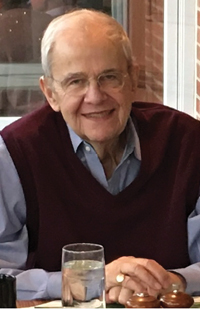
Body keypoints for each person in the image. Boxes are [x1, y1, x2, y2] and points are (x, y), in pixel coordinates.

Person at [0, 8, 200, 305]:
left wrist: (173, 280)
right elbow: (3, 275)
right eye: (75, 82)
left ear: (132, 79)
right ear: (50, 93)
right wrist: (93, 281)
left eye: (109, 77)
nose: (94, 96)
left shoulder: (187, 141)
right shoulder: (14, 153)